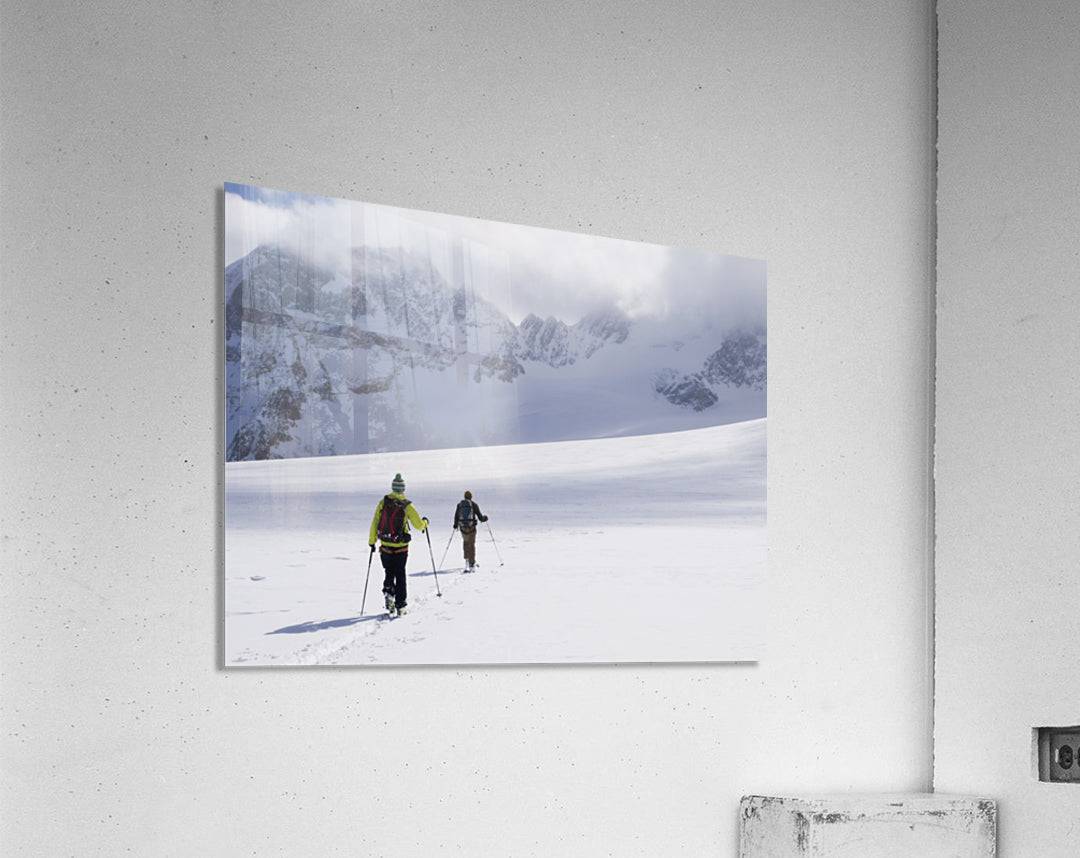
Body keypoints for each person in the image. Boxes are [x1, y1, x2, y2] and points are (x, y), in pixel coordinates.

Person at [368, 473, 428, 616]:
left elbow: (375, 522)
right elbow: (418, 525)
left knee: (389, 571)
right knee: (400, 574)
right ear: (402, 489)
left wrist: (372, 542)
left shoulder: (383, 502)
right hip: (401, 547)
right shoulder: (407, 505)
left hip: (385, 545)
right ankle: (401, 606)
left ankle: (389, 591)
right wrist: (426, 523)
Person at [452, 490, 488, 572]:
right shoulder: (474, 504)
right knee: (471, 544)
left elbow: (456, 516)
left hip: (463, 528)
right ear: (471, 497)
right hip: (472, 528)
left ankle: (467, 560)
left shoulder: (459, 505)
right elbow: (480, 517)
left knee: (466, 542)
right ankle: (472, 563)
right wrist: (485, 518)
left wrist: (455, 525)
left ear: (464, 496)